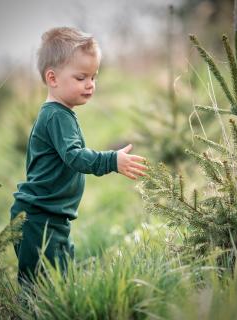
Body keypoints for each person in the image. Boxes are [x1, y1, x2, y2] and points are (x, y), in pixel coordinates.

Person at [10, 26, 148, 287]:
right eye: (81, 77)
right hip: (39, 219)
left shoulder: (61, 113)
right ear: (53, 78)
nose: (90, 85)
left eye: (94, 77)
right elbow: (75, 157)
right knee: (38, 288)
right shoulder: (55, 116)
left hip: (53, 216)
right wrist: (111, 161)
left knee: (60, 280)